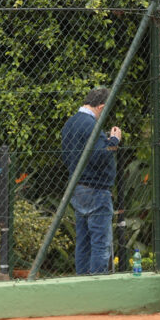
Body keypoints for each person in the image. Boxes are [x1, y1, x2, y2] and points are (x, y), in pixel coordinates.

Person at [61, 87, 122, 275]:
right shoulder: (91, 125)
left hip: (77, 187)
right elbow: (100, 156)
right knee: (100, 242)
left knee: (83, 240)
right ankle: (98, 283)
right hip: (96, 188)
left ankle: (82, 281)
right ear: (101, 107)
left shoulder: (70, 123)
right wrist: (113, 141)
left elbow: (65, 155)